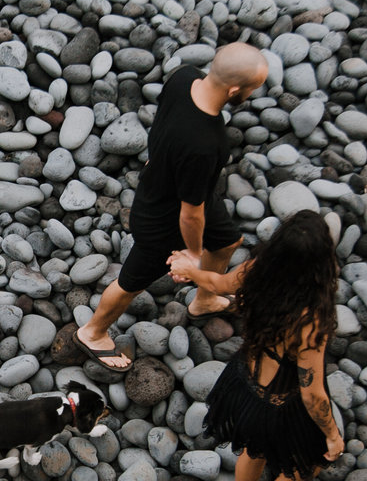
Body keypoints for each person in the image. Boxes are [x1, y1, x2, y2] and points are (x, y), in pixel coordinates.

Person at [73, 41, 270, 371]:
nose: (250, 94)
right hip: (163, 217)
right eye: (252, 89)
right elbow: (190, 213)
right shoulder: (206, 143)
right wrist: (192, 256)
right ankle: (92, 332)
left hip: (181, 186)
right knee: (131, 282)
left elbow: (162, 125)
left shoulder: (184, 77)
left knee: (227, 241)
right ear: (235, 89)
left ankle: (205, 300)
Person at [169, 209, 344, 481]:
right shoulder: (310, 318)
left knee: (255, 447)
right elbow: (313, 392)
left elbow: (218, 283)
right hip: (279, 402)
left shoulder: (258, 270)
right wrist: (332, 435)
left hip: (241, 383)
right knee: (315, 459)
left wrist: (188, 270)